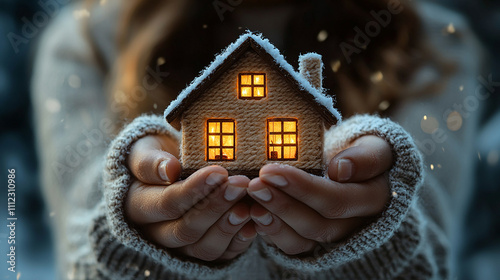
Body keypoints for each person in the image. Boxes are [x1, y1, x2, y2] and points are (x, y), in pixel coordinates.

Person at [31, 0, 484, 279]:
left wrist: (369, 239)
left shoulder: (434, 44)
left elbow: (430, 245)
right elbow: (80, 256)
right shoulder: (86, 40)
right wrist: (134, 235)